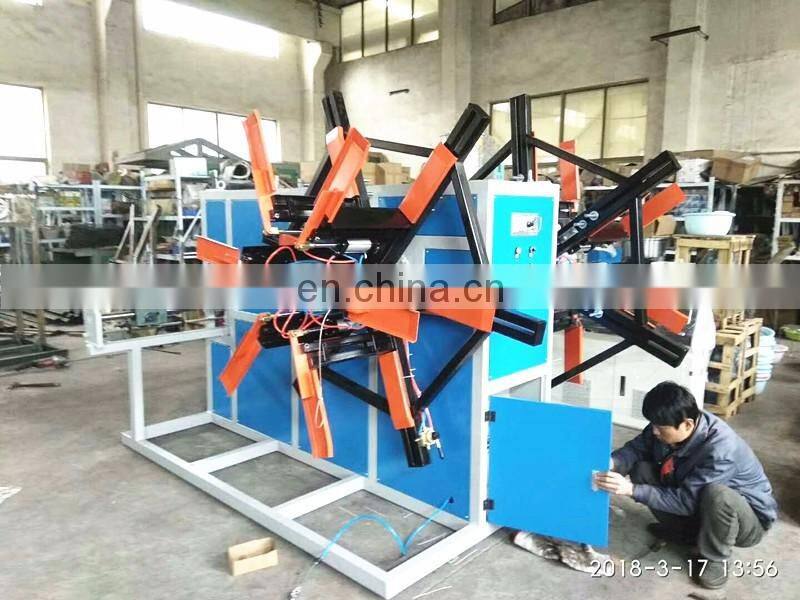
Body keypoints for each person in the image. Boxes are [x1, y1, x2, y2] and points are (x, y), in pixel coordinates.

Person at [594, 381, 778, 590]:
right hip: (700, 502)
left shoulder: (721, 451)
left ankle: (715, 559)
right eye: (652, 425)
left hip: (747, 522)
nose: (654, 432)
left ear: (688, 425)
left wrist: (630, 489)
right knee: (641, 469)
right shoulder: (667, 422)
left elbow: (686, 502)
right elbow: (636, 449)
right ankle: (687, 534)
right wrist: (612, 462)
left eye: (660, 428)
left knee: (719, 495)